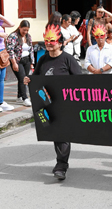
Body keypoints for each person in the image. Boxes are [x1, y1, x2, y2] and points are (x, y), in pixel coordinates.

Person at [24, 24, 82, 180]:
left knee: (62, 134)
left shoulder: (68, 59)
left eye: (53, 40)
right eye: (47, 40)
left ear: (60, 42)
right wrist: (29, 79)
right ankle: (61, 163)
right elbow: (36, 78)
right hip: (48, 104)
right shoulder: (43, 59)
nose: (49, 43)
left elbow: (80, 81)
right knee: (56, 133)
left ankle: (61, 165)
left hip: (66, 105)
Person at [6, 20, 34, 107]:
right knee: (23, 79)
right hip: (17, 60)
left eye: (27, 30)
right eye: (24, 30)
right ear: (19, 27)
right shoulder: (13, 36)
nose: (25, 32)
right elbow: (10, 50)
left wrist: (32, 63)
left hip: (27, 60)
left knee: (23, 78)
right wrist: (14, 63)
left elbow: (31, 50)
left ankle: (19, 96)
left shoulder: (28, 36)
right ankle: (25, 98)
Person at [0, 14, 15, 112]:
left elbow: (12, 24)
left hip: (2, 52)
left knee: (1, 79)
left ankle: (1, 101)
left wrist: (1, 16)